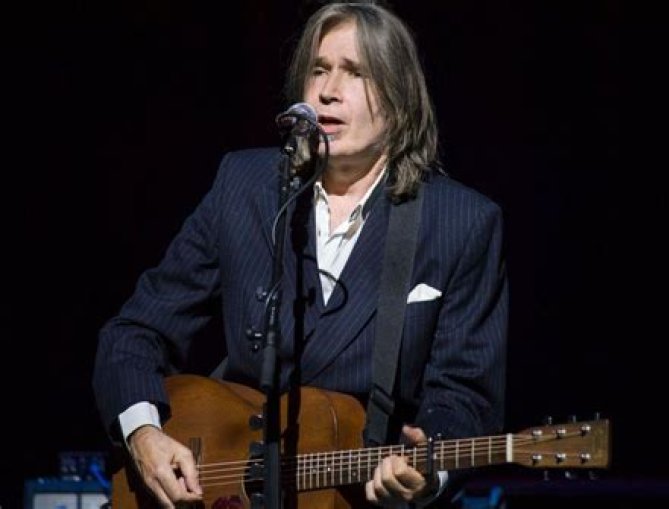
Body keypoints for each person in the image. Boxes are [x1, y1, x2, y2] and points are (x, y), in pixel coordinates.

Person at [93, 2, 508, 507]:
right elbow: (136, 333)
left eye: (355, 72)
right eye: (318, 70)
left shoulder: (460, 221)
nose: (328, 90)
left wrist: (428, 468)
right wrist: (143, 434)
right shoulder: (245, 188)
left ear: (400, 99)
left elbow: (465, 395)